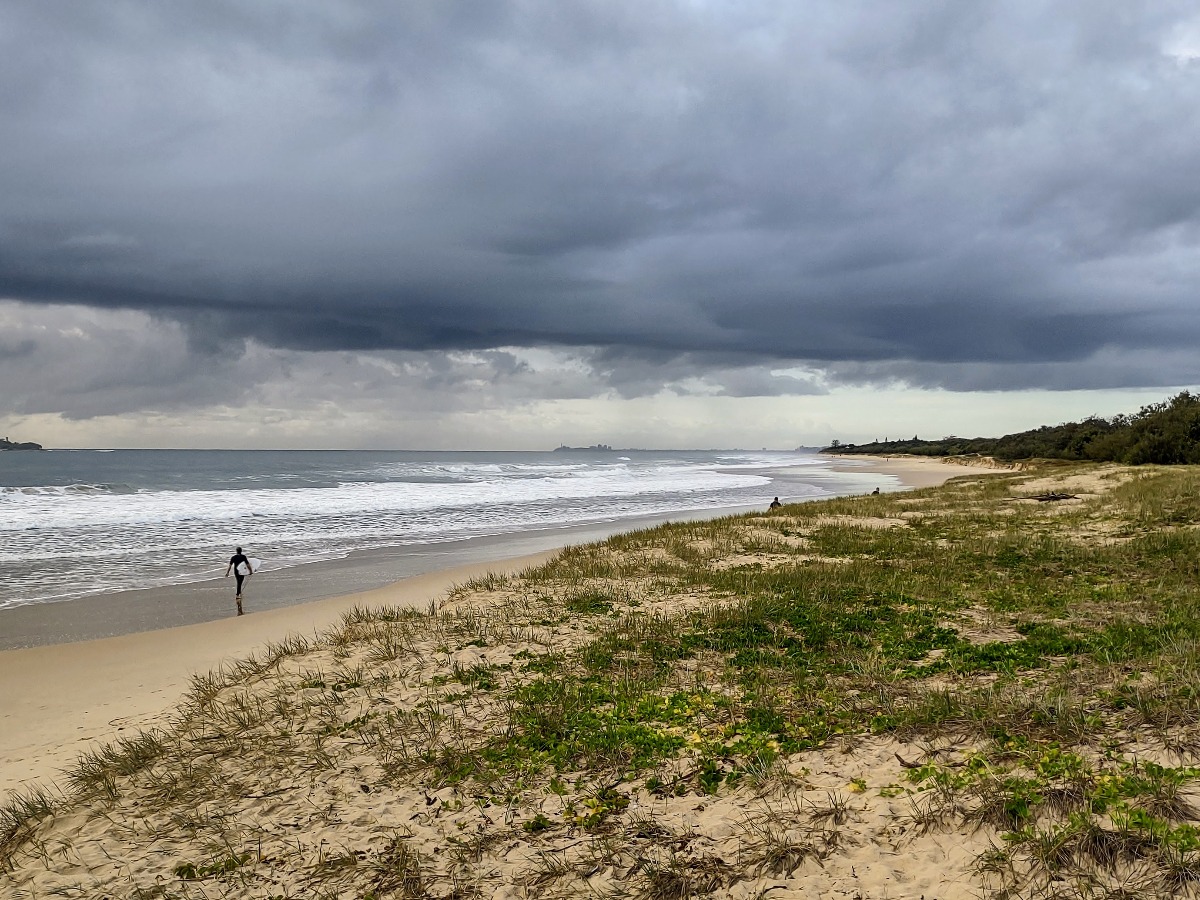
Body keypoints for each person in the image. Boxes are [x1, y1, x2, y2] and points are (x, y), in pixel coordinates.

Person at [224, 546, 253, 615]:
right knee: (240, 582)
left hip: (236, 572)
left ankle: (238, 593)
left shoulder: (233, 557)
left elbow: (230, 565)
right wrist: (250, 571)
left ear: (236, 551)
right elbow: (247, 564)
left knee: (238, 582)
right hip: (242, 571)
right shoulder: (243, 557)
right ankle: (238, 594)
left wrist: (227, 572)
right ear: (241, 551)